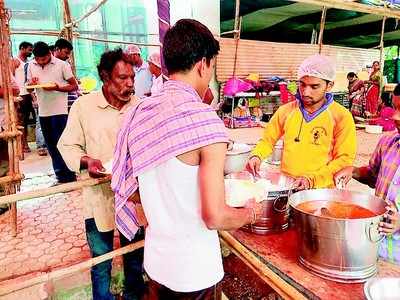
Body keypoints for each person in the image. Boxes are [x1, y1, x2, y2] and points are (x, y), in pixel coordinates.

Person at [112, 19, 261, 299]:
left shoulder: (140, 113)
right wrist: (248, 214)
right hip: (194, 272)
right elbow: (214, 216)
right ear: (203, 64)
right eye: (212, 68)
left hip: (156, 263)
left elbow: (133, 191)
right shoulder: (203, 122)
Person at [58, 48, 144, 300]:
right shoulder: (84, 107)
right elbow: (68, 145)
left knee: (134, 256)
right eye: (122, 78)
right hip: (98, 198)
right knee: (101, 258)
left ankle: (133, 295)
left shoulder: (139, 108)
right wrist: (87, 161)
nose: (129, 84)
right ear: (105, 77)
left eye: (132, 77)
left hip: (133, 197)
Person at [247, 54, 357, 190]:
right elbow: (267, 140)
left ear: (329, 86)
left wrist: (311, 180)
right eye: (302, 85)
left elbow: (344, 160)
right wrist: (257, 155)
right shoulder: (285, 111)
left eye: (314, 86)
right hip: (287, 186)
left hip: (321, 190)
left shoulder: (342, 116)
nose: (305, 92)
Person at [334, 109, 400, 265]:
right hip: (375, 246)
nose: (395, 116)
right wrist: (354, 171)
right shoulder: (387, 141)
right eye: (395, 107)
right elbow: (374, 176)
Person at [27, 41, 78, 183]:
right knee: (51, 146)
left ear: (50, 54)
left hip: (60, 111)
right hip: (43, 112)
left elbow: (74, 86)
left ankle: (70, 174)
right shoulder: (31, 65)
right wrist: (31, 85)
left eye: (44, 59)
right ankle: (60, 175)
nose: (41, 62)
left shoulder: (62, 65)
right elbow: (29, 88)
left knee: (62, 143)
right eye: (38, 60)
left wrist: (57, 88)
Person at [0, 72, 20, 214]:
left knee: (4, 161)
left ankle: (5, 199)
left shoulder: (2, 71)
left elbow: (16, 89)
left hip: (2, 121)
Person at [53, 38, 80, 111]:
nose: (68, 56)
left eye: (69, 53)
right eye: (66, 52)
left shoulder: (66, 64)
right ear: (57, 49)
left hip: (70, 102)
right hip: (60, 105)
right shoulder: (50, 65)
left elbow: (74, 85)